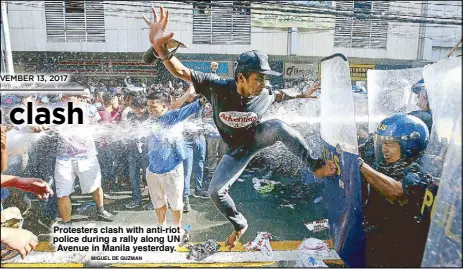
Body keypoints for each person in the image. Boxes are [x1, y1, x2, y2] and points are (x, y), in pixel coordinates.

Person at [142, 6, 337, 249]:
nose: (263, 84)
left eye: (265, 79)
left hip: (257, 137)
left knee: (278, 126)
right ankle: (239, 224)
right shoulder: (216, 86)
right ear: (241, 78)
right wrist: (161, 49)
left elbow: (281, 94)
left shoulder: (264, 92)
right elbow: (181, 71)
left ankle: (316, 166)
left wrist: (303, 94)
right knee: (216, 192)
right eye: (258, 79)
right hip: (235, 150)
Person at [359, 113, 438, 267]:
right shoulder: (387, 162)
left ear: (410, 146)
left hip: (409, 246)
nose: (384, 150)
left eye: (390, 144)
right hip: (386, 232)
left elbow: (395, 192)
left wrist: (360, 165)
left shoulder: (420, 168)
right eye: (382, 143)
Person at [144, 88, 202, 227]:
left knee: (175, 204)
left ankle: (177, 227)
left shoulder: (172, 116)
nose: (149, 109)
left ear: (164, 106)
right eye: (148, 106)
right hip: (152, 170)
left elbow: (193, 107)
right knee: (157, 202)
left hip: (171, 170)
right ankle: (161, 225)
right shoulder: (151, 120)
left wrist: (202, 94)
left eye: (153, 106)